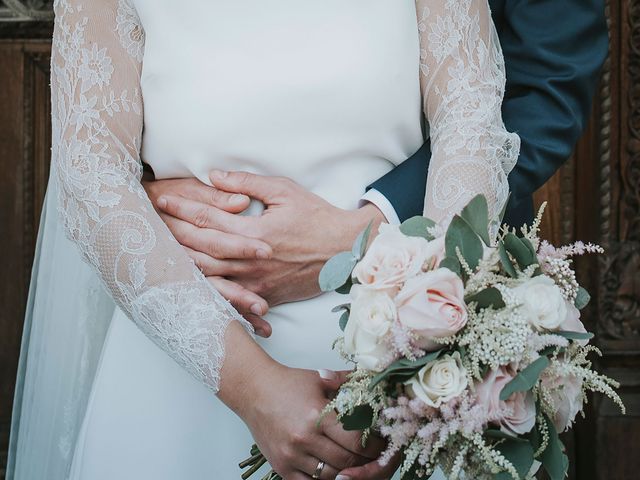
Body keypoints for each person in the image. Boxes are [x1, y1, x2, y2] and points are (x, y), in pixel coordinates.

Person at [2, 2, 601, 480]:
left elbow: (471, 122)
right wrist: (252, 387)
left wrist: (417, 370)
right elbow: (90, 179)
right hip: (184, 369)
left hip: (385, 365)